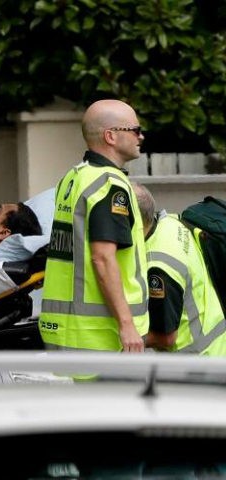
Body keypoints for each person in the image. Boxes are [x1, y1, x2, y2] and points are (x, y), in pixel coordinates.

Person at [39, 99, 149, 353]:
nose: (140, 137)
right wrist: (127, 325)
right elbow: (102, 259)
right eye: (135, 130)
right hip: (100, 335)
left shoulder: (74, 177)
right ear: (111, 136)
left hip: (67, 327)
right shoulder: (109, 185)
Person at [133, 182, 226, 355]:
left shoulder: (158, 267)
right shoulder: (169, 223)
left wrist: (125, 339)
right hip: (217, 348)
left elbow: (166, 338)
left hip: (197, 362)